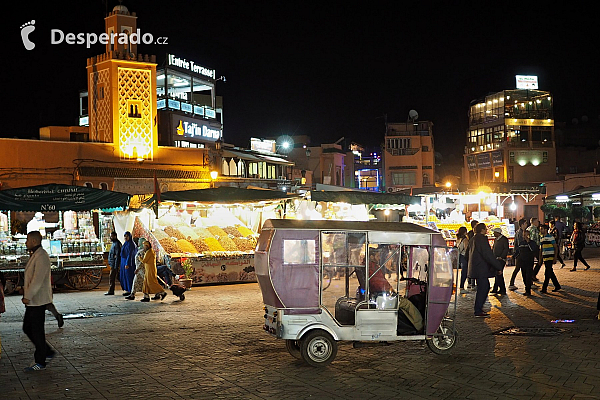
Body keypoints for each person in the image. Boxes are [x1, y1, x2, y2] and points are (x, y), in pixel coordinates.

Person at [22, 231, 56, 371]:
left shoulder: (41, 256)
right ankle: (46, 351)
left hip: (38, 300)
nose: (26, 243)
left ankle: (40, 360)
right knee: (29, 328)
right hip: (34, 301)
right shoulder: (36, 255)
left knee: (36, 330)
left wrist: (28, 295)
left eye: (28, 240)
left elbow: (37, 280)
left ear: (34, 241)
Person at [467, 223, 504, 317]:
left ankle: (478, 309)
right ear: (482, 230)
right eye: (485, 229)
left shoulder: (473, 239)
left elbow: (468, 253)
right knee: (484, 287)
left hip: (476, 267)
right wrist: (498, 266)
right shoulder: (481, 239)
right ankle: (478, 310)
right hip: (480, 268)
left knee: (483, 287)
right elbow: (488, 255)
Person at [539, 224, 561, 293]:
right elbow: (541, 249)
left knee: (547, 273)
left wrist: (555, 257)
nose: (540, 230)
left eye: (541, 229)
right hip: (545, 257)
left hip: (550, 257)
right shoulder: (542, 238)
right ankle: (557, 285)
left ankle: (544, 288)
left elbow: (555, 247)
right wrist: (540, 258)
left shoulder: (550, 237)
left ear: (545, 230)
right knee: (550, 272)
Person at [515, 230, 538, 296]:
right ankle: (526, 288)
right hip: (522, 261)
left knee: (528, 276)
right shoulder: (521, 243)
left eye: (526, 235)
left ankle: (528, 290)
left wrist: (528, 242)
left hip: (529, 261)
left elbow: (533, 250)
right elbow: (518, 251)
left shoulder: (532, 243)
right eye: (524, 235)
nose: (524, 236)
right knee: (524, 276)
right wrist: (514, 256)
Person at [509, 218, 528, 290]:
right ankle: (511, 283)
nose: (526, 225)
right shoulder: (520, 233)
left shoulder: (520, 232)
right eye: (525, 223)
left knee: (522, 269)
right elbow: (520, 244)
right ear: (522, 224)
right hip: (520, 253)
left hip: (520, 253)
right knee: (518, 268)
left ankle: (527, 283)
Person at [490, 227, 509, 295]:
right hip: (496, 259)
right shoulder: (496, 239)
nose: (493, 234)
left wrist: (502, 256)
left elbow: (506, 249)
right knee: (498, 274)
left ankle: (500, 289)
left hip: (501, 259)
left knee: (499, 274)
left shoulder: (504, 239)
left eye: (494, 232)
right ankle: (499, 289)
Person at [119, 231, 137, 296]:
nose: (126, 237)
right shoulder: (126, 243)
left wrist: (127, 263)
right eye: (125, 236)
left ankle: (130, 290)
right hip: (123, 262)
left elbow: (130, 254)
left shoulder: (131, 244)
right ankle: (127, 289)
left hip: (129, 262)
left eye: (127, 236)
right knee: (124, 276)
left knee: (129, 276)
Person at [456, 226, 470, 291]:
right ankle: (462, 286)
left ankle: (466, 284)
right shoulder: (465, 239)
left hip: (460, 256)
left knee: (464, 271)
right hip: (464, 256)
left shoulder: (458, 239)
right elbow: (466, 249)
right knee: (465, 271)